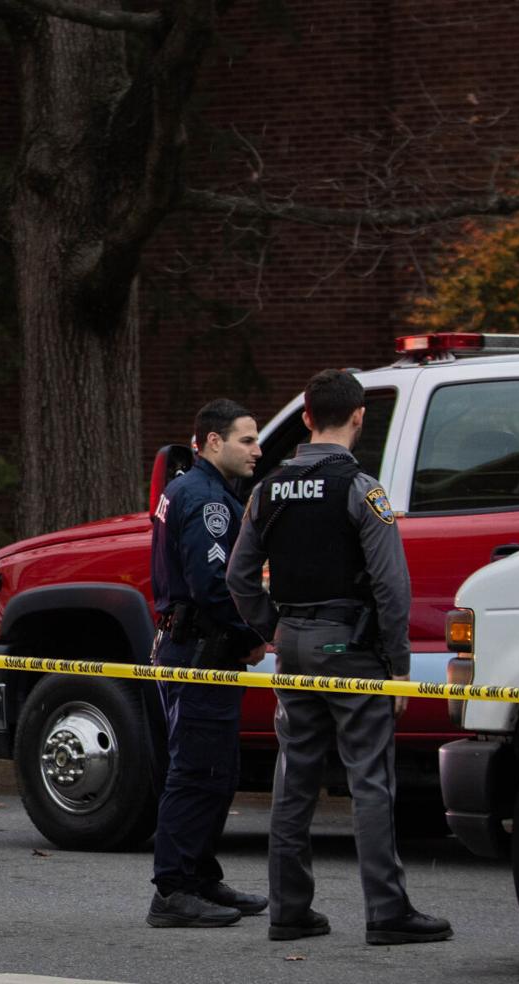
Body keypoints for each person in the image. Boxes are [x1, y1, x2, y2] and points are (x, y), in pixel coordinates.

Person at [226, 369, 453, 946]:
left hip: (294, 647)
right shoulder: (361, 489)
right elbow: (391, 585)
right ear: (358, 417)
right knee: (370, 780)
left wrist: (275, 629)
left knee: (294, 778)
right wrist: (399, 664)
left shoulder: (268, 489)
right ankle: (387, 912)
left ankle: (289, 911)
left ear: (306, 417)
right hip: (350, 648)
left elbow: (239, 576)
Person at [146, 399, 269, 928]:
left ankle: (199, 876)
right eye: (247, 440)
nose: (257, 450)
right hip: (200, 650)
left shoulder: (194, 489)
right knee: (196, 772)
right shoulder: (205, 500)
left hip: (198, 647)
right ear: (214, 442)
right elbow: (213, 586)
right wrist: (252, 635)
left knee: (217, 771)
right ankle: (173, 890)